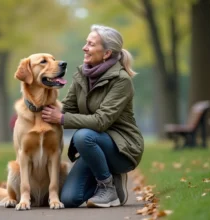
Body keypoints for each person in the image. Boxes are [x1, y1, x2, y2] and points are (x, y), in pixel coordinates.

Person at [41, 24, 144, 208]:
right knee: (69, 199)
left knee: (83, 135)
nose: (84, 47)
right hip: (93, 146)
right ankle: (105, 178)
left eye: (90, 44)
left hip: (122, 149)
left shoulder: (122, 80)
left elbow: (101, 121)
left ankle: (108, 187)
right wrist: (39, 109)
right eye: (85, 42)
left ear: (106, 53)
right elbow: (68, 107)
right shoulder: (82, 73)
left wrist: (61, 119)